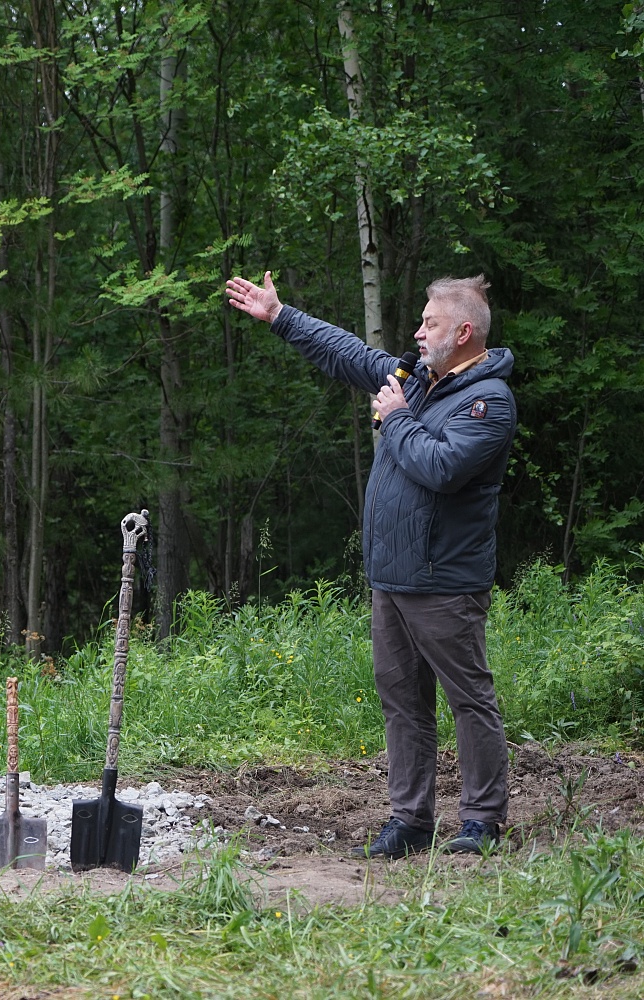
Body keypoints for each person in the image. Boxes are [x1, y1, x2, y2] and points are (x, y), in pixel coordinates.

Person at [225, 271, 517, 858]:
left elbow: (441, 468)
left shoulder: (488, 401)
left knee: (469, 699)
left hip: (445, 583)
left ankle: (483, 821)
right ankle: (411, 821)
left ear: (463, 332)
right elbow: (349, 354)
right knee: (403, 703)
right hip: (393, 579)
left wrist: (396, 417)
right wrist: (280, 315)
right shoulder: (421, 380)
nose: (417, 331)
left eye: (429, 323)